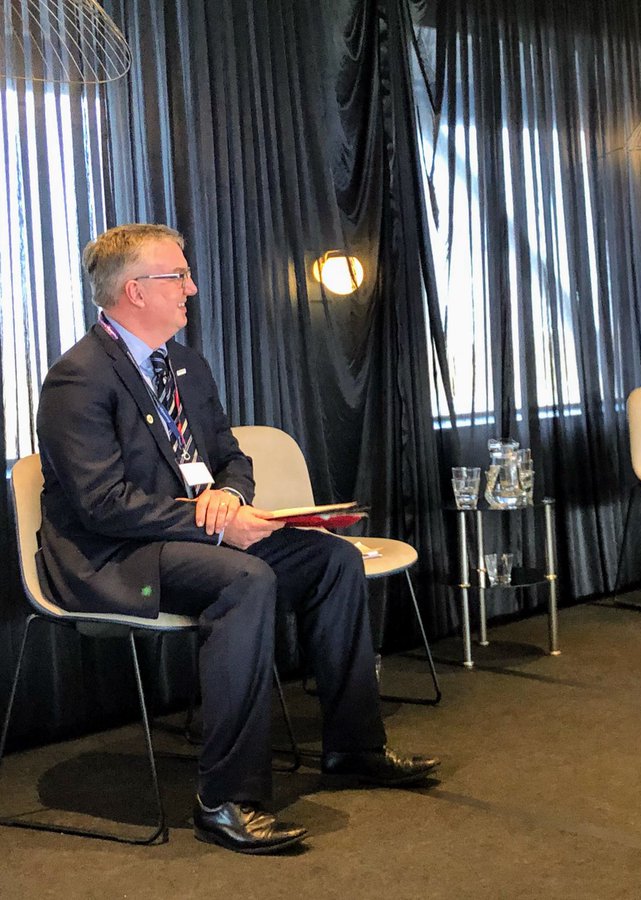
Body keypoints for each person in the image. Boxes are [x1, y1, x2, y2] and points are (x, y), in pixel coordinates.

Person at [36, 223, 440, 855]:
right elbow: (103, 505)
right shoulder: (78, 379)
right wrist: (217, 521)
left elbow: (230, 456)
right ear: (135, 290)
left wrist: (229, 495)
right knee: (245, 579)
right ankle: (226, 799)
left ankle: (355, 749)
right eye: (178, 276)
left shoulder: (185, 365)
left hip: (191, 535)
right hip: (117, 555)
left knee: (332, 559)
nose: (191, 287)